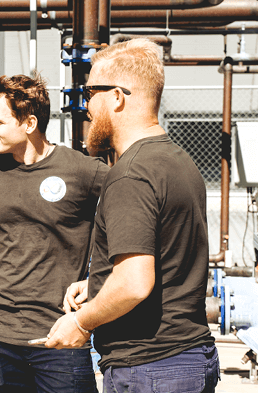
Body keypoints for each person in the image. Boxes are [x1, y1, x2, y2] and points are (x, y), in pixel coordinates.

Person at [45, 38, 220, 393]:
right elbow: (164, 258)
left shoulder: (130, 174)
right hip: (187, 357)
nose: (86, 106)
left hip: (150, 367)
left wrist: (81, 322)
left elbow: (135, 283)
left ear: (117, 97)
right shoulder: (178, 161)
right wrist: (97, 285)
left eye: (90, 92)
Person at [0, 74, 109, 393]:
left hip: (61, 333)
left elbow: (130, 215)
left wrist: (96, 277)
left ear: (28, 123)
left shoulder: (83, 170)